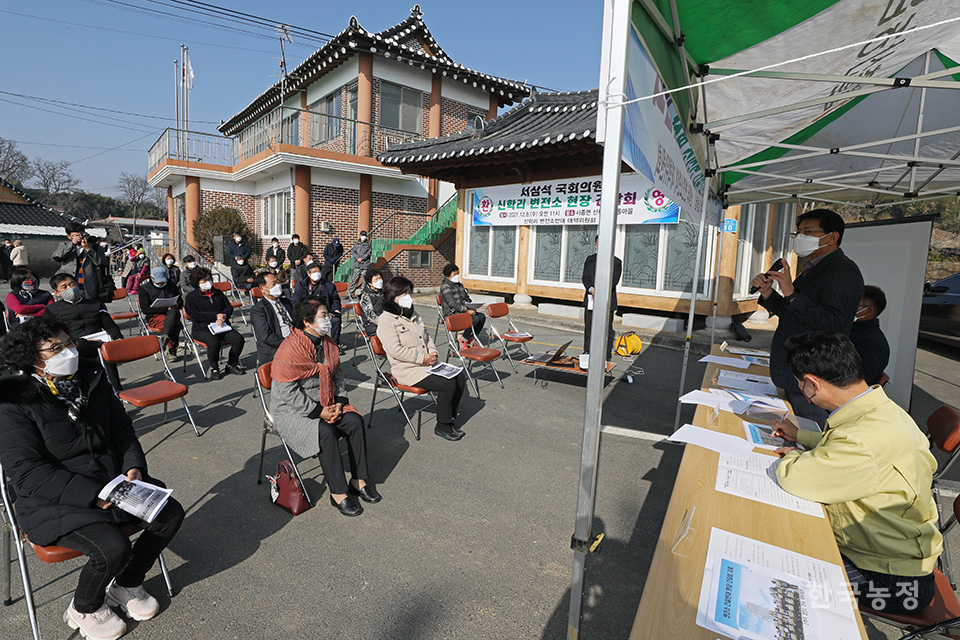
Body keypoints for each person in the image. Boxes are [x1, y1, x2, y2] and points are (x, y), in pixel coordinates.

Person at [0, 317, 185, 640]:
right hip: (55, 497)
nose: (68, 351)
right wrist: (93, 495)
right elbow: (28, 473)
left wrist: (133, 466)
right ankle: (84, 607)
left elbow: (123, 431)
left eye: (69, 342)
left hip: (113, 481)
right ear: (31, 358)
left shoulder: (91, 377)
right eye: (55, 348)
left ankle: (126, 584)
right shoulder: (13, 401)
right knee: (112, 547)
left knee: (169, 514)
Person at [772, 331, 941, 615]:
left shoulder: (863, 440)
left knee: (782, 572)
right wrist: (801, 435)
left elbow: (796, 477)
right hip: (894, 562)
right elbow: (849, 451)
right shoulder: (880, 412)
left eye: (800, 383)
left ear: (812, 385)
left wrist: (794, 456)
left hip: (893, 584)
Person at [751, 208, 864, 426]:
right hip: (795, 370)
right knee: (792, 428)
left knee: (807, 430)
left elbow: (835, 324)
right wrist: (768, 292)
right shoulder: (813, 267)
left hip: (813, 372)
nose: (800, 238)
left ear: (832, 237)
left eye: (808, 232)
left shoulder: (843, 271)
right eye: (798, 233)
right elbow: (791, 313)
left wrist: (792, 293)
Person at [271, 298, 380, 517]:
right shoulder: (290, 348)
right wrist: (318, 412)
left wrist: (339, 402)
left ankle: (359, 481)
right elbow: (287, 393)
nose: (328, 319)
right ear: (307, 321)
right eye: (323, 316)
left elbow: (337, 373)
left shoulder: (327, 341)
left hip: (327, 400)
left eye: (327, 314)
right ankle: (338, 493)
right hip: (292, 409)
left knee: (355, 421)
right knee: (326, 432)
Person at [378, 276, 468, 442]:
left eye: (409, 292)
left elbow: (427, 337)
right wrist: (423, 359)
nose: (408, 296)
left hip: (426, 363)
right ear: (393, 295)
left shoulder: (412, 313)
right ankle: (443, 425)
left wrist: (432, 353)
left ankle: (450, 417)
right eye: (404, 293)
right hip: (407, 369)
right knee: (447, 384)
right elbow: (395, 350)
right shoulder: (386, 319)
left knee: (459, 376)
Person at [45, 273, 124, 391]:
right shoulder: (52, 310)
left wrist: (118, 339)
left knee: (105, 352)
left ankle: (117, 391)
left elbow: (109, 325)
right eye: (64, 287)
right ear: (56, 292)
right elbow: (50, 333)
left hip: (99, 341)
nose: (70, 288)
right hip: (73, 345)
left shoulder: (95, 303)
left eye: (72, 284)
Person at [183, 268, 245, 379]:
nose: (208, 282)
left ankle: (231, 364)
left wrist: (223, 316)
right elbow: (194, 315)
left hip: (221, 326)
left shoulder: (218, 293)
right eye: (204, 280)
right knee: (214, 342)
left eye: (209, 279)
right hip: (202, 328)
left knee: (238, 339)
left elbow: (228, 307)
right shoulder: (191, 297)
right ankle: (214, 368)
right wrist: (215, 316)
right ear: (197, 283)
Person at [581, 235, 622, 362]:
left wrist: (600, 291)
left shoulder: (616, 262)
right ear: (595, 244)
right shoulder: (590, 260)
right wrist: (591, 289)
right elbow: (585, 278)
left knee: (606, 329)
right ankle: (587, 352)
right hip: (591, 299)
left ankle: (606, 354)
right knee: (589, 328)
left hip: (607, 301)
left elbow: (613, 281)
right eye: (598, 242)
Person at [52, 222, 112, 304]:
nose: (79, 237)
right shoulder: (65, 245)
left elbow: (102, 262)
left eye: (80, 234)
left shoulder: (95, 247)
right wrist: (72, 244)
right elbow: (57, 257)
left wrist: (89, 249)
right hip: (68, 287)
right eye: (75, 235)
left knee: (88, 310)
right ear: (69, 236)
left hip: (88, 287)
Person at [291, 262, 343, 350]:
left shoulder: (329, 285)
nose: (316, 273)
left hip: (325, 312)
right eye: (314, 271)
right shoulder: (302, 285)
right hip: (308, 313)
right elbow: (295, 300)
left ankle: (334, 345)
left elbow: (335, 300)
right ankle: (305, 344)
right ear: (308, 273)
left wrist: (335, 309)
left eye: (318, 271)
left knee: (336, 320)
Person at [138, 267, 183, 362]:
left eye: (162, 282)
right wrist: (166, 308)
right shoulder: (144, 288)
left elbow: (180, 301)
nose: (161, 284)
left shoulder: (171, 285)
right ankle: (172, 350)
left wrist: (176, 304)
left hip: (172, 313)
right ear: (152, 278)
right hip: (155, 316)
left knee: (173, 314)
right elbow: (145, 309)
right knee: (176, 324)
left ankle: (166, 339)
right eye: (158, 282)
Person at [850, 285, 890, 386]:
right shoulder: (855, 331)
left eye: (855, 303)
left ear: (868, 311)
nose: (849, 306)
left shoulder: (871, 343)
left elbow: (857, 382)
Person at [250, 271, 293, 364]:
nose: (278, 285)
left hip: (296, 341)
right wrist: (289, 344)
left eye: (277, 282)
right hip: (277, 348)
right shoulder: (258, 310)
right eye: (273, 284)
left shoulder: (286, 302)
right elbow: (266, 336)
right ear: (262, 289)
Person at [440, 264, 485, 350]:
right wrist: (466, 311)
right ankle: (464, 339)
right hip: (452, 313)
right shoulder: (445, 286)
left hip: (462, 311)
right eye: (454, 274)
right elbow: (452, 303)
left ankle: (470, 338)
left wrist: (472, 306)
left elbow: (466, 298)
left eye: (458, 273)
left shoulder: (460, 285)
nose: (457, 276)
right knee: (474, 319)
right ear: (448, 276)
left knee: (482, 317)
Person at [359, 269, 384, 336]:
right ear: (370, 283)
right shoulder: (366, 295)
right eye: (376, 279)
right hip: (372, 324)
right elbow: (370, 315)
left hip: (385, 319)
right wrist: (384, 322)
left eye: (380, 278)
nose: (379, 281)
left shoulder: (383, 292)